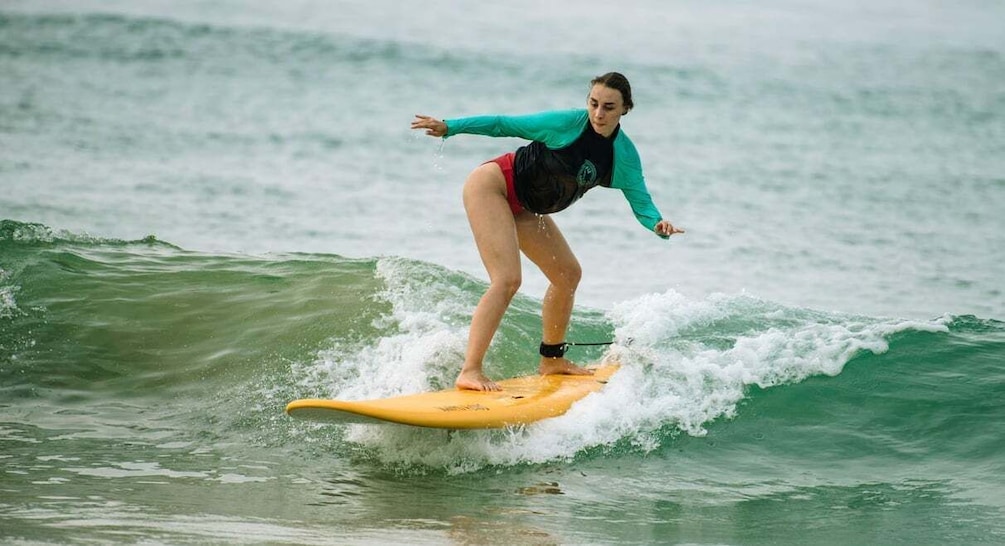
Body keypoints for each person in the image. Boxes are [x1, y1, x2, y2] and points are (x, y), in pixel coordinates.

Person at [411, 72, 684, 391]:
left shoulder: (622, 156)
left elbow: (642, 201)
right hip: (494, 185)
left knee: (568, 273)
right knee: (507, 279)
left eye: (609, 107)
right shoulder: (566, 124)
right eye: (593, 104)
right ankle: (470, 370)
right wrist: (451, 126)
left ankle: (551, 359)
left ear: (625, 109)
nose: (598, 113)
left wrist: (657, 224)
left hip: (526, 208)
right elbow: (503, 124)